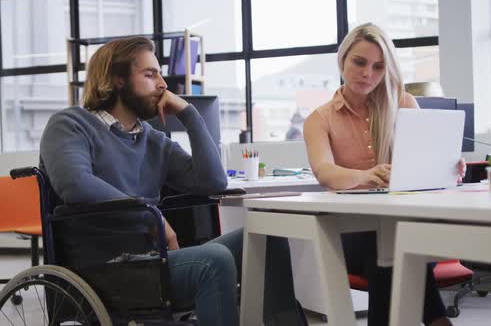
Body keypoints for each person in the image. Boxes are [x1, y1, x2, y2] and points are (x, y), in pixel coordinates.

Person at [40, 37, 305, 326]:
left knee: (266, 238)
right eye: (150, 74)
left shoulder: (154, 140)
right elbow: (74, 183)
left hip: (155, 260)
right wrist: (150, 217)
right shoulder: (71, 124)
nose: (163, 84)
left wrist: (190, 116)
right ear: (117, 80)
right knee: (213, 259)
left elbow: (213, 182)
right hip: (106, 268)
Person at [303, 23, 464, 326]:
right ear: (342, 60)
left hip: (404, 223)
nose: (368, 74)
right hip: (350, 232)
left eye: (379, 67)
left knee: (396, 245)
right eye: (359, 62)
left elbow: (424, 163)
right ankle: (438, 321)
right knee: (389, 249)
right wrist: (366, 175)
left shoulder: (403, 103)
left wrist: (447, 166)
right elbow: (325, 172)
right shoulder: (319, 118)